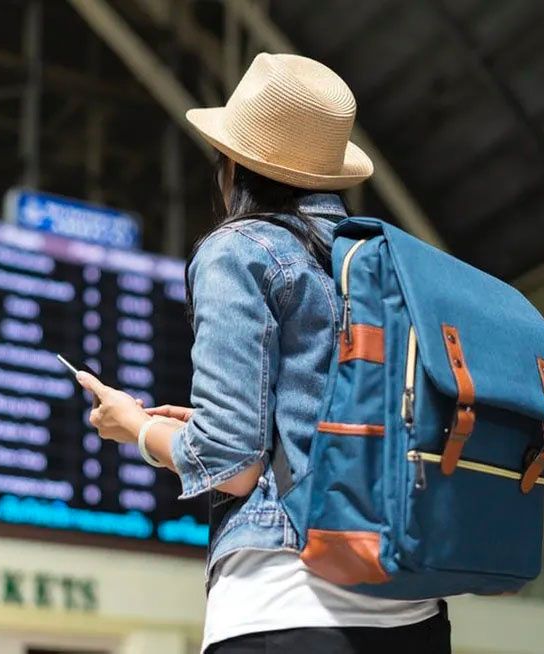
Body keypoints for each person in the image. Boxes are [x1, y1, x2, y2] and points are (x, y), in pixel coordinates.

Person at [78, 53, 451, 653]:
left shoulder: (242, 250)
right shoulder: (387, 262)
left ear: (233, 166)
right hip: (416, 613)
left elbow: (232, 464)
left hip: (286, 604)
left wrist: (137, 430)